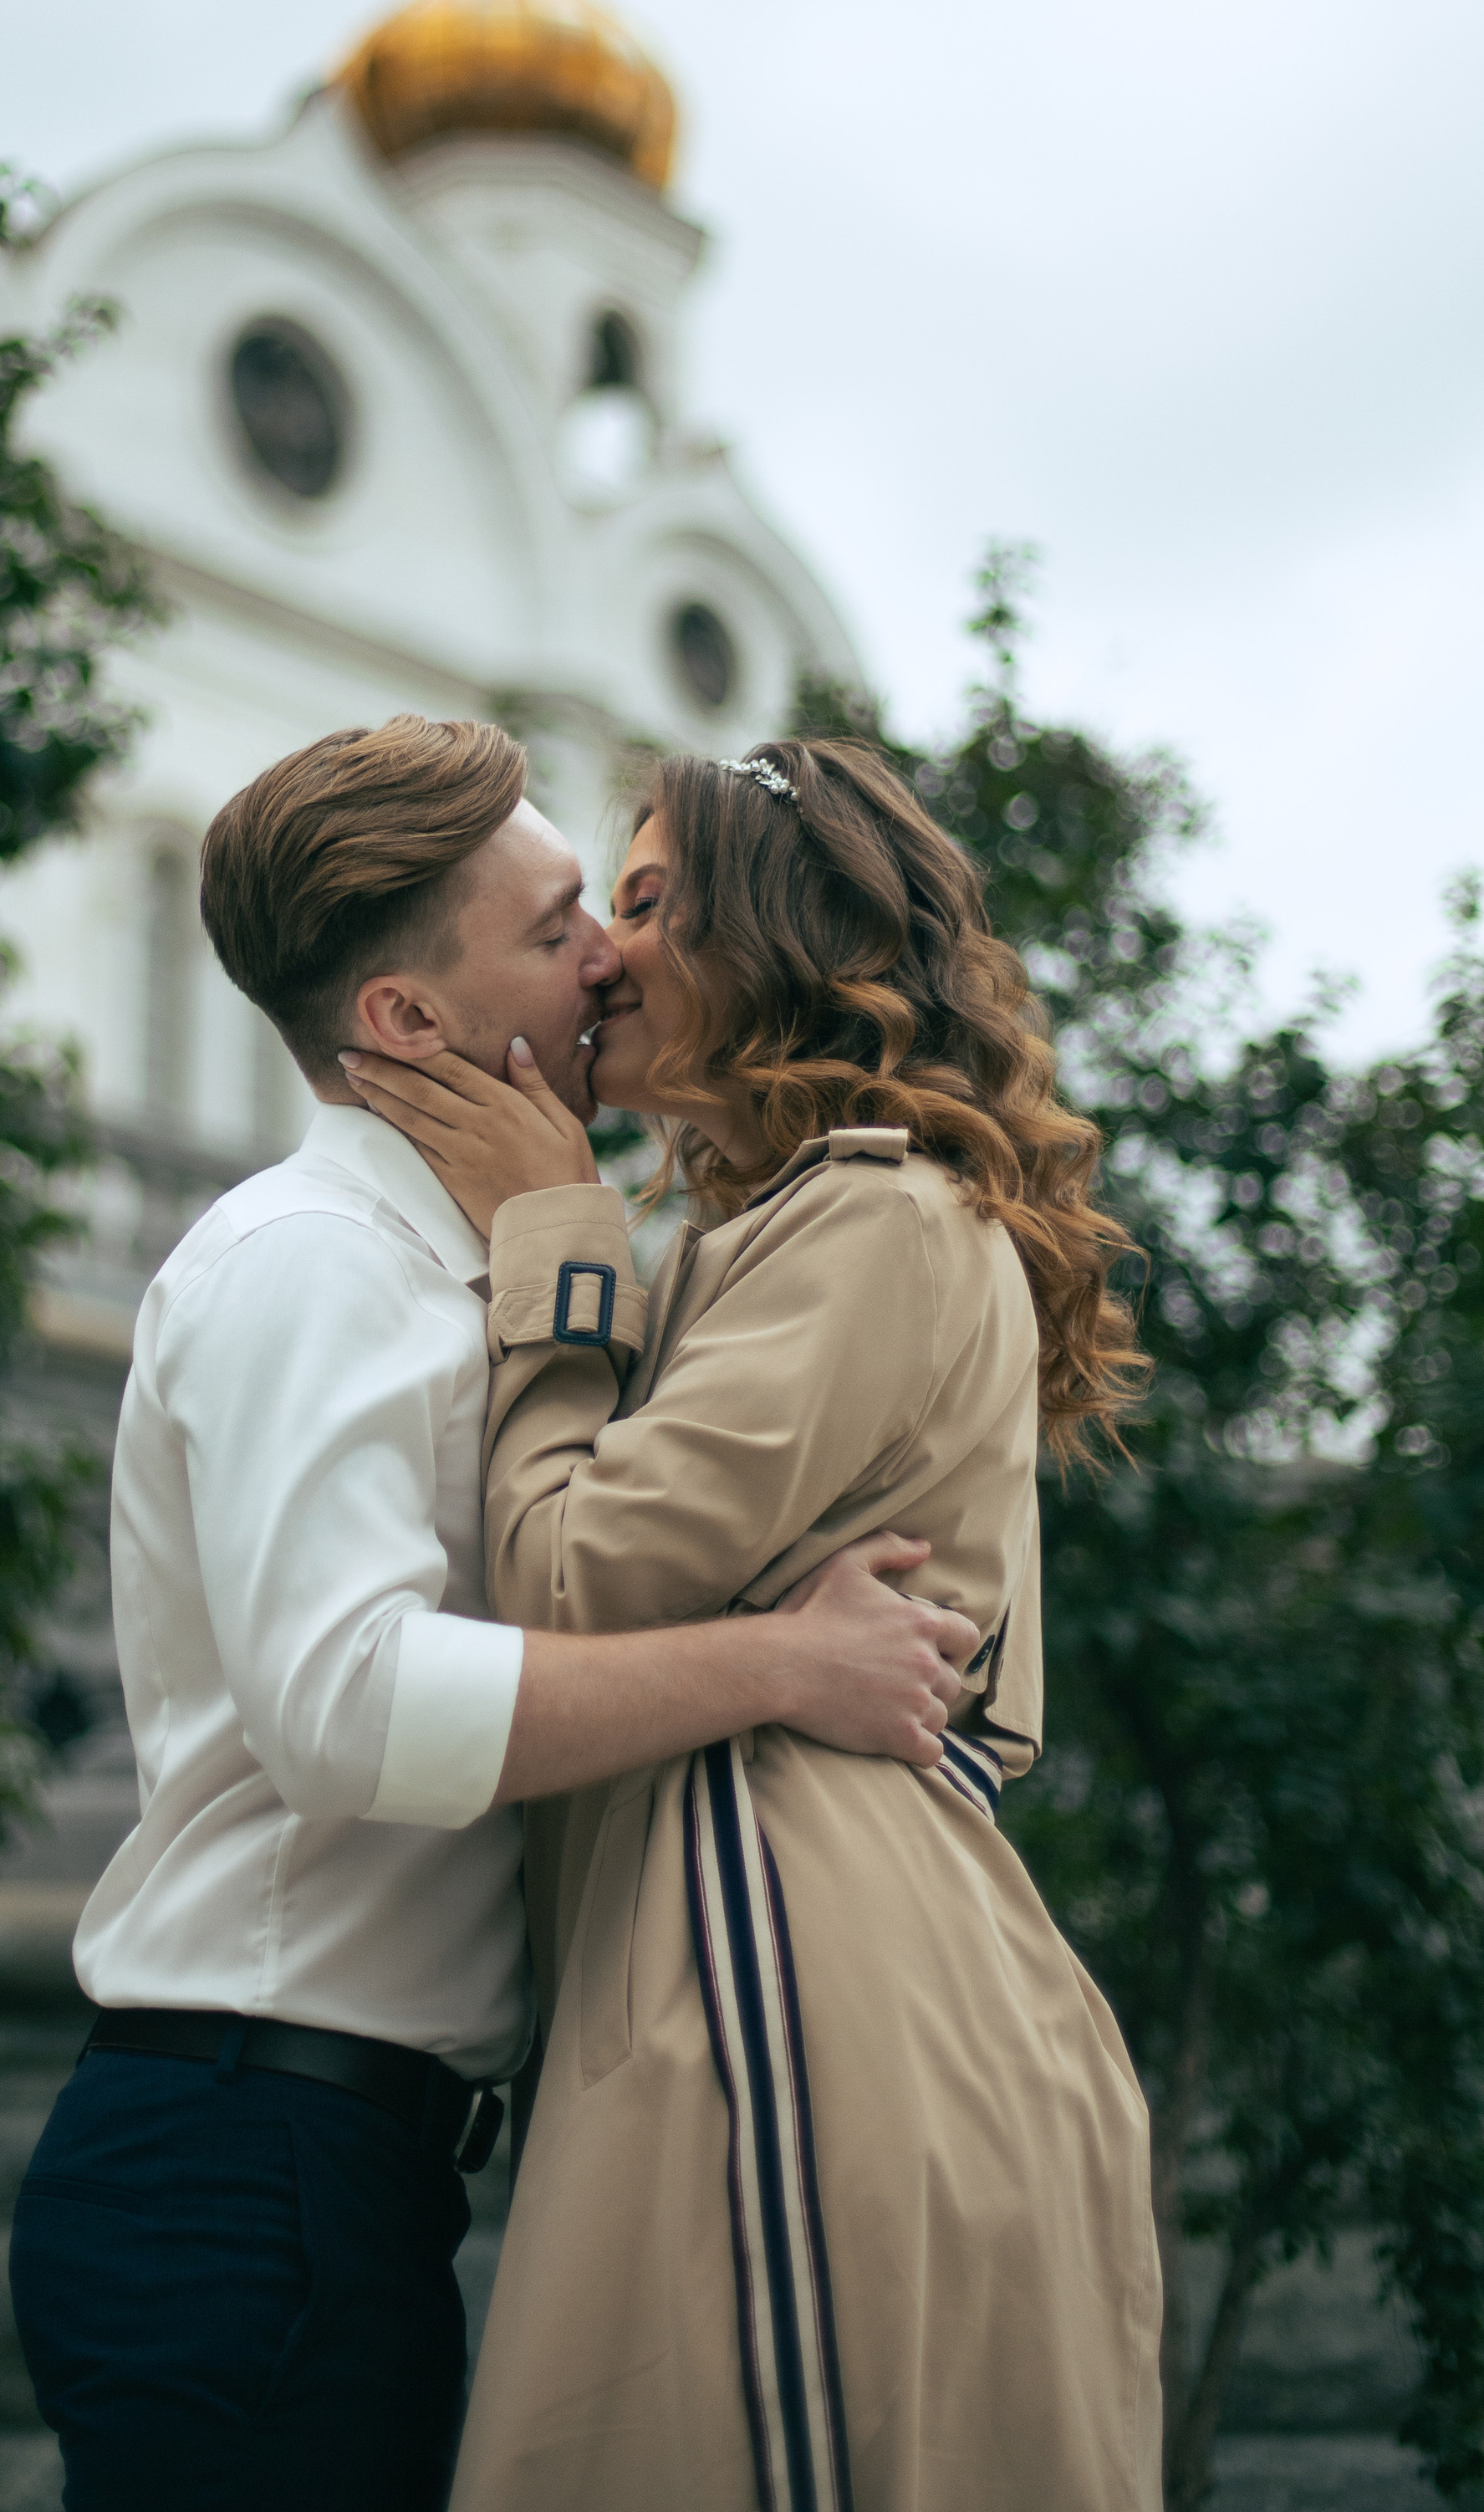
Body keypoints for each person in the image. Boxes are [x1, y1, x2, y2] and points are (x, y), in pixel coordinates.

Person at [7, 715, 982, 2512]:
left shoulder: (474, 1269)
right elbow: (348, 1711)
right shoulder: (314, 1264)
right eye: (552, 928)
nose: (607, 952)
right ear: (403, 1020)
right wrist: (782, 1664)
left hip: (333, 2163)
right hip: (247, 2155)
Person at [339, 734, 1165, 2512]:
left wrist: (548, 1234)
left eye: (645, 905)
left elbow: (560, 1582)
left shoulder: (868, 1219)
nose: (603, 954)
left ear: (772, 944)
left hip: (785, 1959)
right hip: (760, 1940)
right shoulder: (796, 1232)